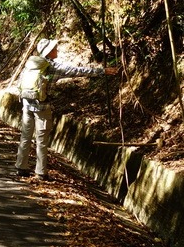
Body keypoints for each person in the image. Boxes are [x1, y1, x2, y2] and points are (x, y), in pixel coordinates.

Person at [16, 38, 118, 181]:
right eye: (55, 48)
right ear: (49, 52)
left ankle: (21, 167)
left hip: (26, 104)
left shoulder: (31, 64)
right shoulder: (53, 67)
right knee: (41, 140)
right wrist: (102, 71)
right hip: (42, 107)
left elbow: (19, 84)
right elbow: (77, 71)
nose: (57, 50)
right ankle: (40, 172)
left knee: (25, 137)